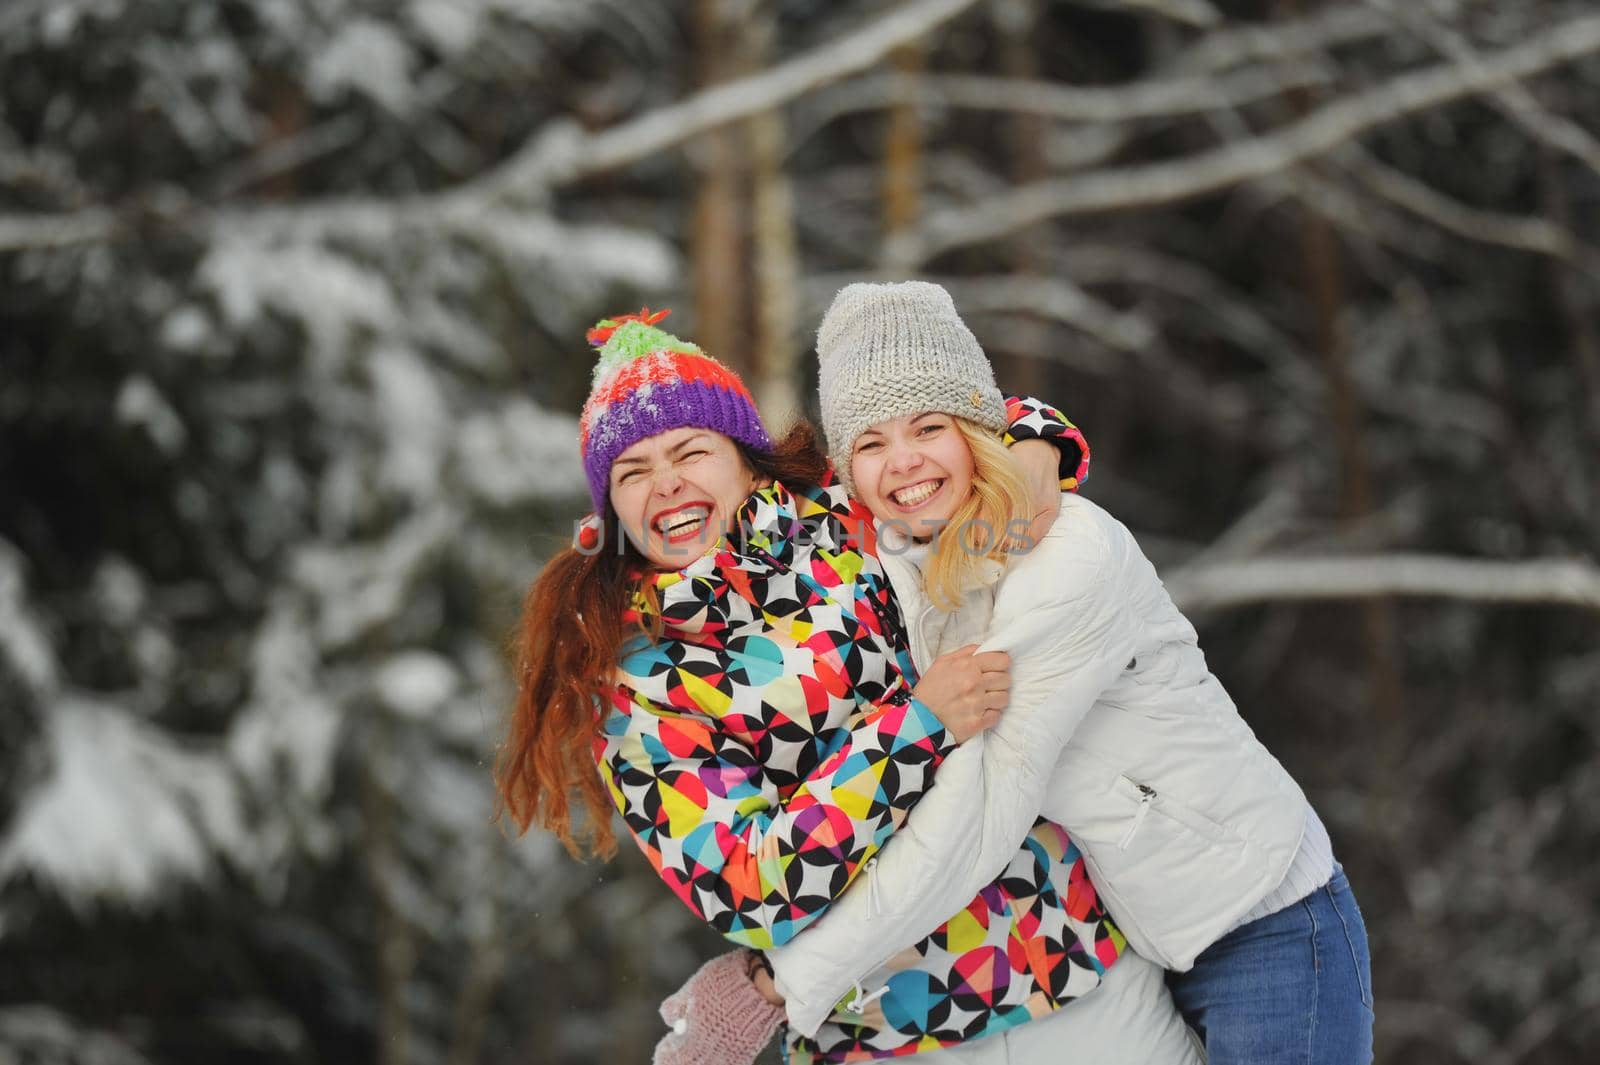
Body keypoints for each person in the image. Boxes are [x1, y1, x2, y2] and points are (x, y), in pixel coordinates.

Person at [673, 281, 1374, 1064]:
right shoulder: (900, 555)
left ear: (978, 427)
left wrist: (779, 984)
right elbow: (759, 534)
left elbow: (979, 809)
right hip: (1148, 940)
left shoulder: (1071, 559)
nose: (901, 460)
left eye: (928, 426)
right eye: (870, 442)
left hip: (1267, 927)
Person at [494, 308, 1199, 1064]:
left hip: (1076, 957)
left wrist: (1031, 445)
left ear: (743, 456)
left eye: (689, 451)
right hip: (894, 1032)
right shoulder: (637, 689)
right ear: (611, 511)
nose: (666, 483)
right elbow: (752, 886)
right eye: (632, 472)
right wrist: (914, 729)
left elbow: (943, 437)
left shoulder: (839, 521)